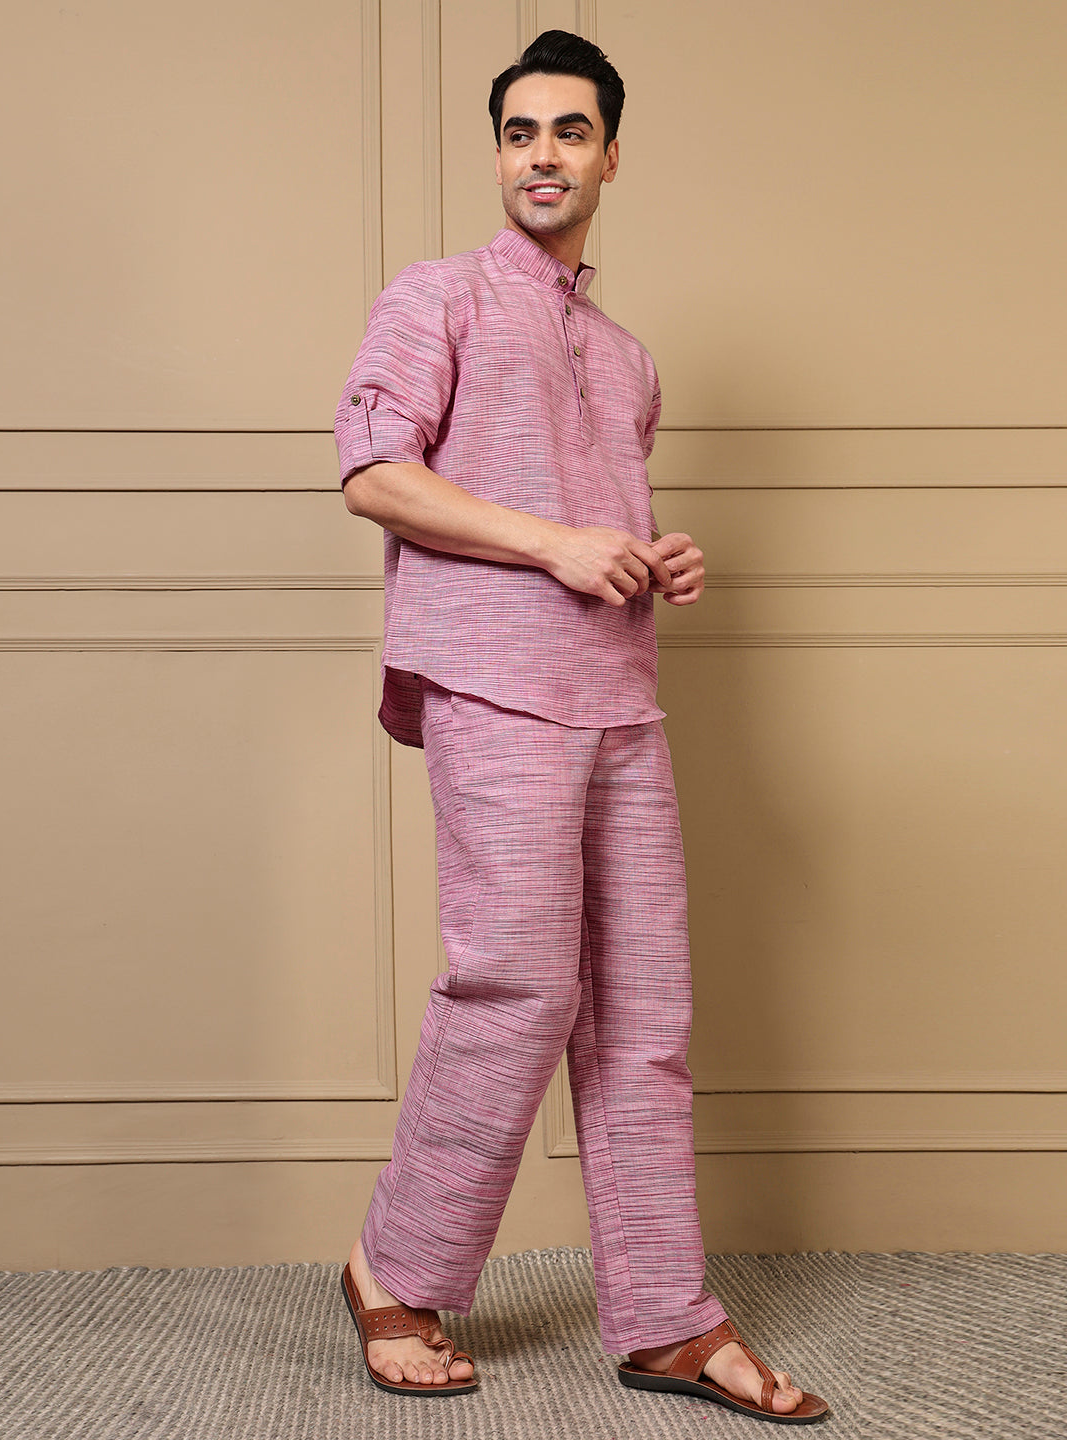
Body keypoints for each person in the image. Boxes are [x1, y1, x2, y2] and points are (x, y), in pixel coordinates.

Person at [333, 29, 828, 1425]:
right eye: (518, 132)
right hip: (494, 681)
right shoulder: (437, 295)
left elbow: (591, 515)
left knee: (646, 1013)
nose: (541, 155)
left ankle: (666, 1316)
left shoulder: (627, 360)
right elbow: (373, 472)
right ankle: (397, 1270)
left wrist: (650, 554)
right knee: (517, 983)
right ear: (498, 155)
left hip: (619, 692)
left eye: (568, 131)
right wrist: (557, 545)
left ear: (613, 156)